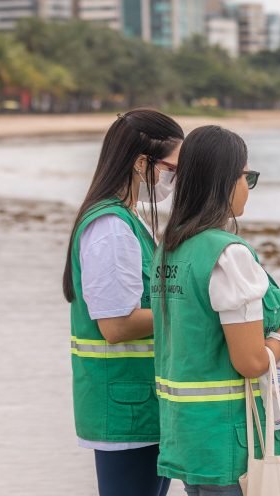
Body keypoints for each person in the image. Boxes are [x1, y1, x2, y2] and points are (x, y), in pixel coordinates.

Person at [151, 125, 280, 496]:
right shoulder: (228, 254)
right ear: (225, 180)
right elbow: (251, 361)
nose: (247, 188)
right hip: (231, 440)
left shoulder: (168, 249)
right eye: (247, 177)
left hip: (188, 435)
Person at [62, 109, 184, 496]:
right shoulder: (111, 227)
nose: (174, 180)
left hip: (138, 401)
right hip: (125, 406)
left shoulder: (128, 218)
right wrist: (193, 310)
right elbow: (116, 326)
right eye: (172, 168)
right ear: (140, 162)